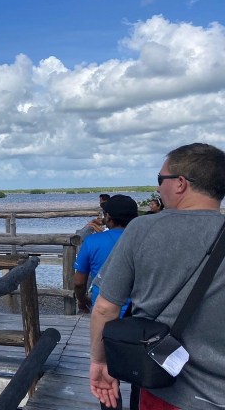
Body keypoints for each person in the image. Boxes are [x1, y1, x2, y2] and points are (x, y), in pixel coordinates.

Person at [90, 143, 225, 410]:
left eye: (160, 180)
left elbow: (105, 308)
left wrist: (100, 361)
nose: (159, 188)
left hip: (167, 392)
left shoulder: (143, 229)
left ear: (180, 184)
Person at [73, 195, 138, 316]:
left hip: (103, 310)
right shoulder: (144, 240)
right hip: (138, 311)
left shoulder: (92, 241)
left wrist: (82, 300)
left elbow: (79, 282)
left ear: (108, 216)